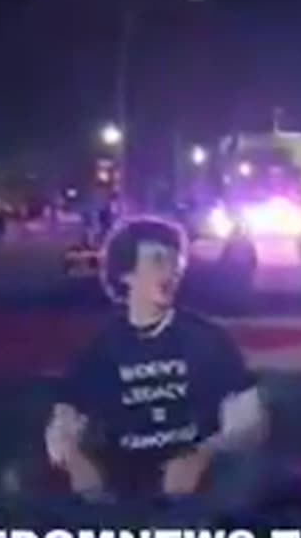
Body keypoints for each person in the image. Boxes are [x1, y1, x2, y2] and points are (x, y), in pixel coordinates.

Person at [24, 216, 268, 524]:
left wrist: (202, 455)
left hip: (199, 480)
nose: (171, 271)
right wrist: (74, 460)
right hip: (123, 479)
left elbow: (250, 421)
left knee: (248, 478)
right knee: (24, 484)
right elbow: (65, 420)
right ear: (126, 273)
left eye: (175, 261)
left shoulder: (206, 339)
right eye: (157, 261)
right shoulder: (102, 348)